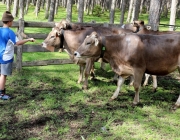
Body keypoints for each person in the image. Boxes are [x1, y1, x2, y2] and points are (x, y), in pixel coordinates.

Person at [0, 11, 35, 100]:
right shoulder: (9, 32)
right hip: (5, 57)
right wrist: (28, 39)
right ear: (8, 22)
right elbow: (18, 43)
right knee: (3, 75)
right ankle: (1, 94)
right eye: (12, 21)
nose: (12, 22)